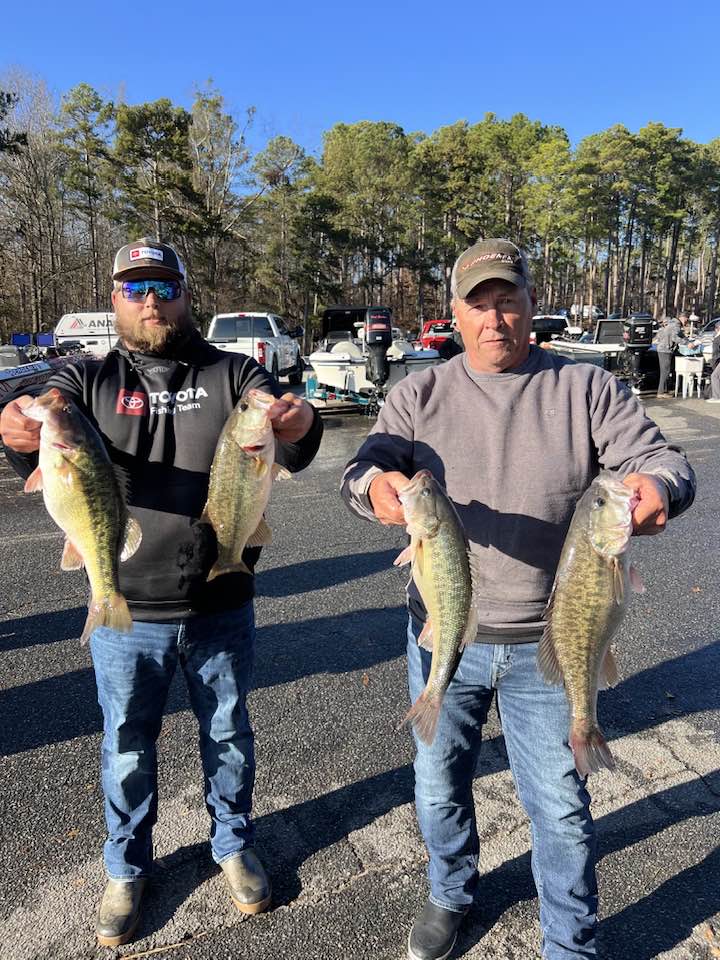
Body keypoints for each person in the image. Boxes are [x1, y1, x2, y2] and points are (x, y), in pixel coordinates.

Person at [341, 238, 695, 960]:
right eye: (479, 304)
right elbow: (364, 466)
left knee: (560, 810)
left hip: (551, 641)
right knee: (438, 787)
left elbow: (664, 461)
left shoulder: (587, 389)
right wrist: (374, 487)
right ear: (454, 314)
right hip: (445, 634)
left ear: (533, 306)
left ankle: (569, 940)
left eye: (508, 301)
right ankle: (450, 891)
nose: (494, 318)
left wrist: (657, 488)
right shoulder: (418, 394)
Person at [0, 238, 323, 947]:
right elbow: (40, 417)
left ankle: (233, 843)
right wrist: (18, 425)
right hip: (125, 605)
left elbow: (285, 428)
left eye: (165, 287)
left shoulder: (233, 371)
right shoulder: (87, 377)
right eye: (135, 288)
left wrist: (300, 422)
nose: (151, 301)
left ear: (185, 293)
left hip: (220, 601)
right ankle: (126, 866)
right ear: (115, 298)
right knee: (125, 745)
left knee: (229, 734)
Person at [654, 314, 698, 397]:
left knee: (667, 370)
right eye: (686, 319)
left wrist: (688, 340)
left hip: (664, 348)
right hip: (665, 350)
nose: (687, 321)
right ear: (682, 318)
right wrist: (687, 343)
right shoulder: (675, 325)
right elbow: (675, 338)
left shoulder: (673, 323)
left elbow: (680, 335)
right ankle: (661, 392)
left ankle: (665, 390)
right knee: (665, 371)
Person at [706, 320, 720, 402]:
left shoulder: (718, 338)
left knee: (714, 376)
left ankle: (717, 397)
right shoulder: (717, 337)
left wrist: (715, 360)